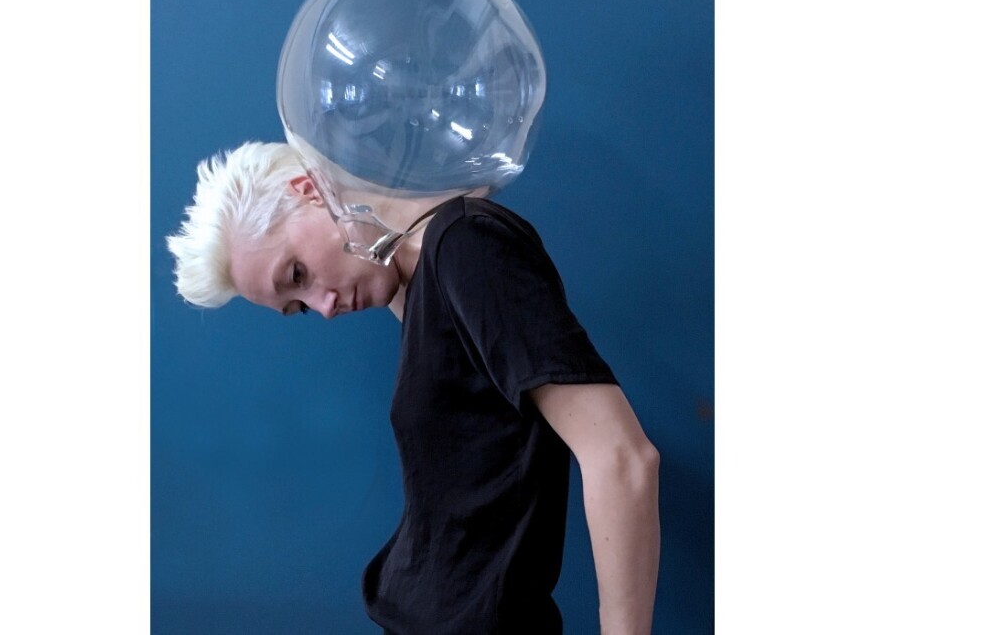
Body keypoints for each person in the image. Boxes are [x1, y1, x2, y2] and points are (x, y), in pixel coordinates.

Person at [167, 140, 661, 635]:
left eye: (298, 274)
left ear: (309, 189)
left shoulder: (468, 245)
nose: (323, 306)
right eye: (297, 306)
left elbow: (622, 459)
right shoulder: (422, 275)